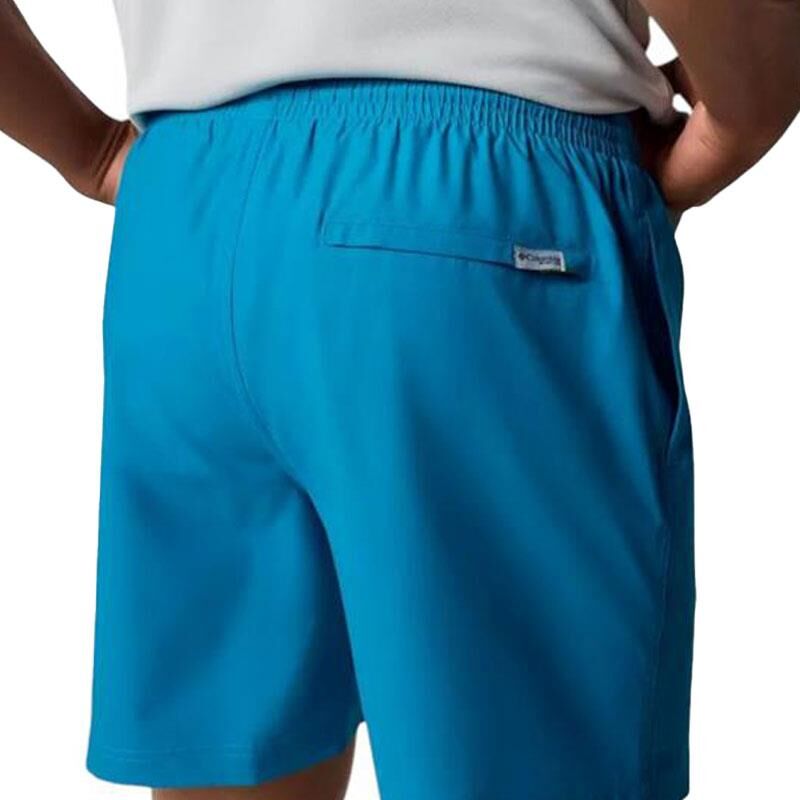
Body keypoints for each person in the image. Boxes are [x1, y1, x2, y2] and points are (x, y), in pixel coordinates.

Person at [1, 1, 798, 799]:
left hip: (185, 224)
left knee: (238, 765)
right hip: (468, 207)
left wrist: (89, 150)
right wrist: (753, 99)